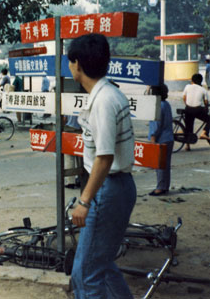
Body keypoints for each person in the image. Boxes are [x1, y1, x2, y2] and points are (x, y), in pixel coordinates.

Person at [68, 34, 136, 298]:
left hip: (109, 189)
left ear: (78, 65)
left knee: (84, 274)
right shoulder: (109, 94)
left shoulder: (104, 101)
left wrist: (84, 201)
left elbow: (104, 157)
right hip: (117, 187)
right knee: (103, 266)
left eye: (70, 62)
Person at [148, 84, 173, 196]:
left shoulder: (157, 106)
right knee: (166, 165)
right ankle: (165, 186)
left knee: (159, 165)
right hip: (169, 138)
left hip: (161, 139)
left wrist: (152, 138)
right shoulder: (166, 104)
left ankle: (160, 187)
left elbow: (156, 125)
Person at [182, 73, 210, 151]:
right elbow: (206, 102)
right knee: (209, 119)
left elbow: (184, 97)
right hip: (198, 110)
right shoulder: (203, 90)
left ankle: (187, 146)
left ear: (192, 80)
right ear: (200, 82)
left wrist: (187, 105)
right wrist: (206, 108)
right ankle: (204, 133)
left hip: (188, 109)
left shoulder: (187, 86)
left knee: (189, 126)